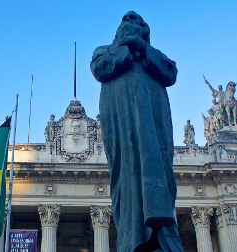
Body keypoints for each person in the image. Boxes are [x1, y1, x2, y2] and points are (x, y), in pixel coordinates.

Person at [90, 11, 184, 252]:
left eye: (137, 22)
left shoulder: (153, 57)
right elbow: (100, 69)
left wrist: (143, 49)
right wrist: (127, 50)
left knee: (160, 174)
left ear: (145, 31)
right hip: (122, 126)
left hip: (154, 126)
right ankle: (133, 240)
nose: (131, 24)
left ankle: (163, 237)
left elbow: (171, 73)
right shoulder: (105, 51)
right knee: (126, 176)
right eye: (126, 21)